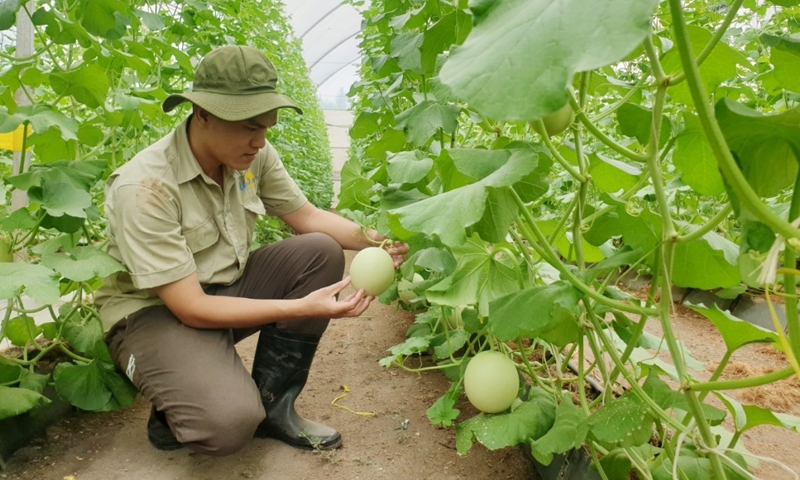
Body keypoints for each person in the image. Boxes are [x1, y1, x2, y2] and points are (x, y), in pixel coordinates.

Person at [95, 45, 407, 457]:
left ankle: (274, 406)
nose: (259, 141)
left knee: (319, 251)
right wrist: (301, 308)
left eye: (267, 128)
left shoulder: (252, 155)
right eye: (248, 127)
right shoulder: (146, 188)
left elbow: (309, 217)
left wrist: (381, 240)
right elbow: (189, 308)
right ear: (202, 114)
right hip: (154, 313)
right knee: (227, 425)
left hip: (222, 288)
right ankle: (180, 400)